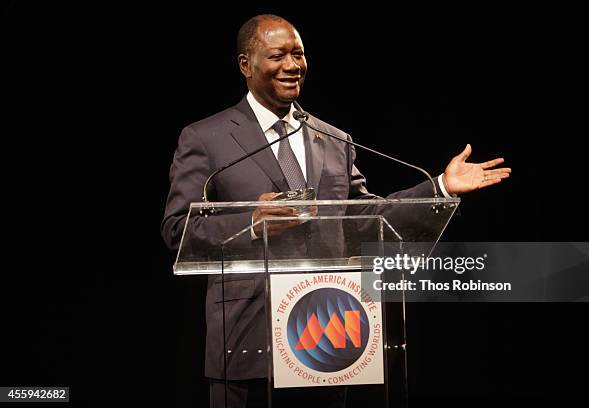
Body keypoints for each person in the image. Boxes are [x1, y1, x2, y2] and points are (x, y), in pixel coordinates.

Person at [161, 14, 511, 408]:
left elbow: (366, 219)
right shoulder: (206, 138)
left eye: (299, 54)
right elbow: (177, 231)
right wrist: (252, 223)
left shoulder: (333, 139)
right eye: (278, 55)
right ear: (246, 65)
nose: (292, 65)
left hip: (325, 338)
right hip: (246, 342)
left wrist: (441, 187)